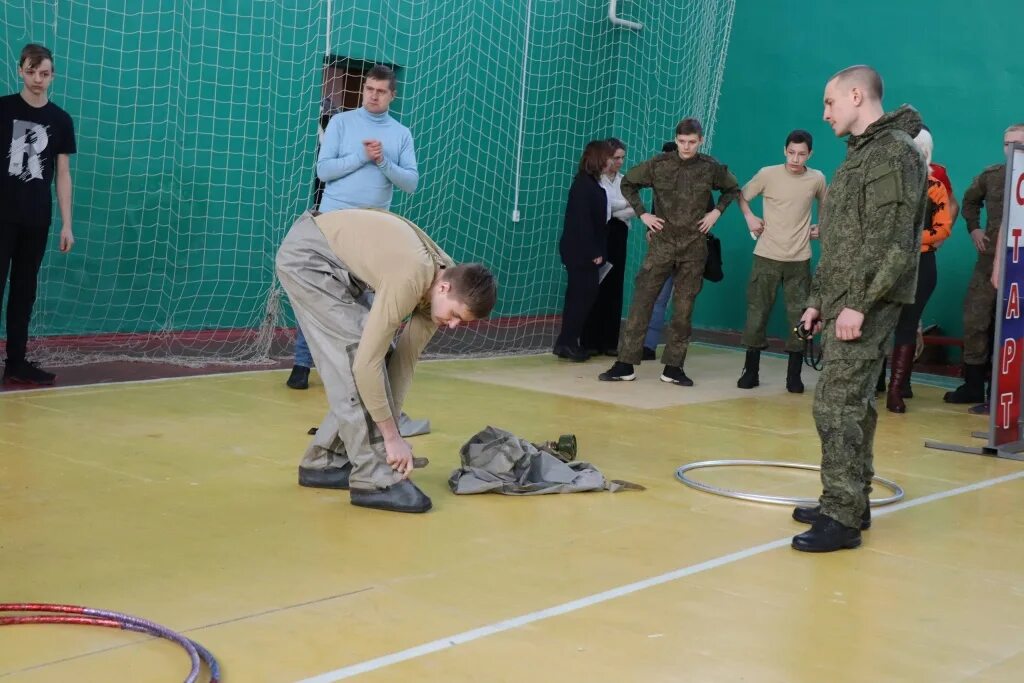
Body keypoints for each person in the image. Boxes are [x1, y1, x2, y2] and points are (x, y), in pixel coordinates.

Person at [275, 208, 496, 513]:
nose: (454, 325)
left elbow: (403, 364)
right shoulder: (412, 275)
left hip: (340, 270)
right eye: (456, 315)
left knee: (382, 356)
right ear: (444, 289)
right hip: (309, 260)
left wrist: (394, 433)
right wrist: (391, 439)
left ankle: (324, 462)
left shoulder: (443, 282)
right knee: (358, 356)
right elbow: (366, 364)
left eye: (462, 322)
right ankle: (375, 478)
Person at [791, 66, 927, 553]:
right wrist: (817, 303)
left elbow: (891, 242)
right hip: (848, 300)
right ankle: (851, 500)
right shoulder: (863, 155)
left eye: (829, 104)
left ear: (855, 95)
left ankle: (841, 516)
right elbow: (843, 243)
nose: (824, 114)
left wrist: (858, 305)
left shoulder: (893, 153)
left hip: (867, 303)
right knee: (853, 404)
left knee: (836, 404)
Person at [288, 64, 418, 391]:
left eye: (380, 91)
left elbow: (411, 183)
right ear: (363, 90)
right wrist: (362, 157)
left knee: (369, 299)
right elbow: (324, 170)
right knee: (319, 292)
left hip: (374, 229)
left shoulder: (400, 133)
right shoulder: (342, 123)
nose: (373, 96)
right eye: (369, 89)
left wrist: (383, 162)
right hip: (332, 225)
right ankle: (302, 364)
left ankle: (367, 366)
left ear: (392, 95)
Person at [599, 118, 739, 385]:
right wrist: (643, 215)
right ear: (676, 140)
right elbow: (628, 182)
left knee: (683, 309)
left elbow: (732, 189)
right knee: (642, 302)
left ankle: (673, 368)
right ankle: (625, 364)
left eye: (692, 142)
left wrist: (715, 212)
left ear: (700, 141)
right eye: (682, 142)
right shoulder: (659, 164)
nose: (686, 147)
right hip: (662, 245)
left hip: (694, 247)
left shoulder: (710, 168)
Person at [1, 44, 76, 386]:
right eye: (31, 71)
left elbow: (62, 174)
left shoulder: (60, 120)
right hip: (2, 216)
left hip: (36, 219)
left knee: (23, 291)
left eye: (44, 73)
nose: (37, 79)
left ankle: (16, 363)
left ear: (52, 76)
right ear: (20, 70)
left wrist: (67, 224)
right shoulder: (3, 109)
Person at [735, 129, 827, 393]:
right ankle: (750, 371)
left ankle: (794, 377)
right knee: (757, 313)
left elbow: (827, 205)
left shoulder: (817, 178)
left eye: (801, 154)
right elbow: (741, 195)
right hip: (766, 256)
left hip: (799, 259)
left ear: (810, 154)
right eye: (791, 153)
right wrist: (750, 218)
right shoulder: (768, 174)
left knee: (798, 317)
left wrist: (823, 225)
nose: (795, 159)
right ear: (784, 151)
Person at [944, 123, 1024, 405]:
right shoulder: (992, 176)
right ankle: (974, 385)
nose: (1011, 148)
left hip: (1020, 264)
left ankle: (1004, 393)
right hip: (988, 261)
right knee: (975, 319)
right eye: (1007, 143)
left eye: (1018, 143)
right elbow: (968, 201)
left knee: (1011, 326)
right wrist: (974, 229)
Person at [884, 127, 952, 413]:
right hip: (889, 263)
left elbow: (943, 228)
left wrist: (911, 239)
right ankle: (872, 382)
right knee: (880, 323)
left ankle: (896, 390)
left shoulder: (935, 186)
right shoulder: (888, 184)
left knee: (907, 327)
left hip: (922, 264)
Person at [553, 140, 612, 361]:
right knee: (581, 297)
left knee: (580, 296)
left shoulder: (589, 184)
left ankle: (565, 342)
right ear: (599, 159)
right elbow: (582, 223)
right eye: (608, 157)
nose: (610, 161)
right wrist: (593, 251)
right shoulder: (584, 186)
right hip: (581, 253)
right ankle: (568, 343)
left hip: (581, 251)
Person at [581, 138, 634, 356]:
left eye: (622, 157)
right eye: (615, 158)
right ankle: (589, 341)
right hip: (601, 235)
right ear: (605, 157)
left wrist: (615, 210)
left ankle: (610, 342)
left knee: (614, 287)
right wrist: (618, 208)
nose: (620, 162)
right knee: (597, 286)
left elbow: (634, 209)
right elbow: (601, 208)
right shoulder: (596, 181)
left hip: (619, 236)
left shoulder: (625, 181)